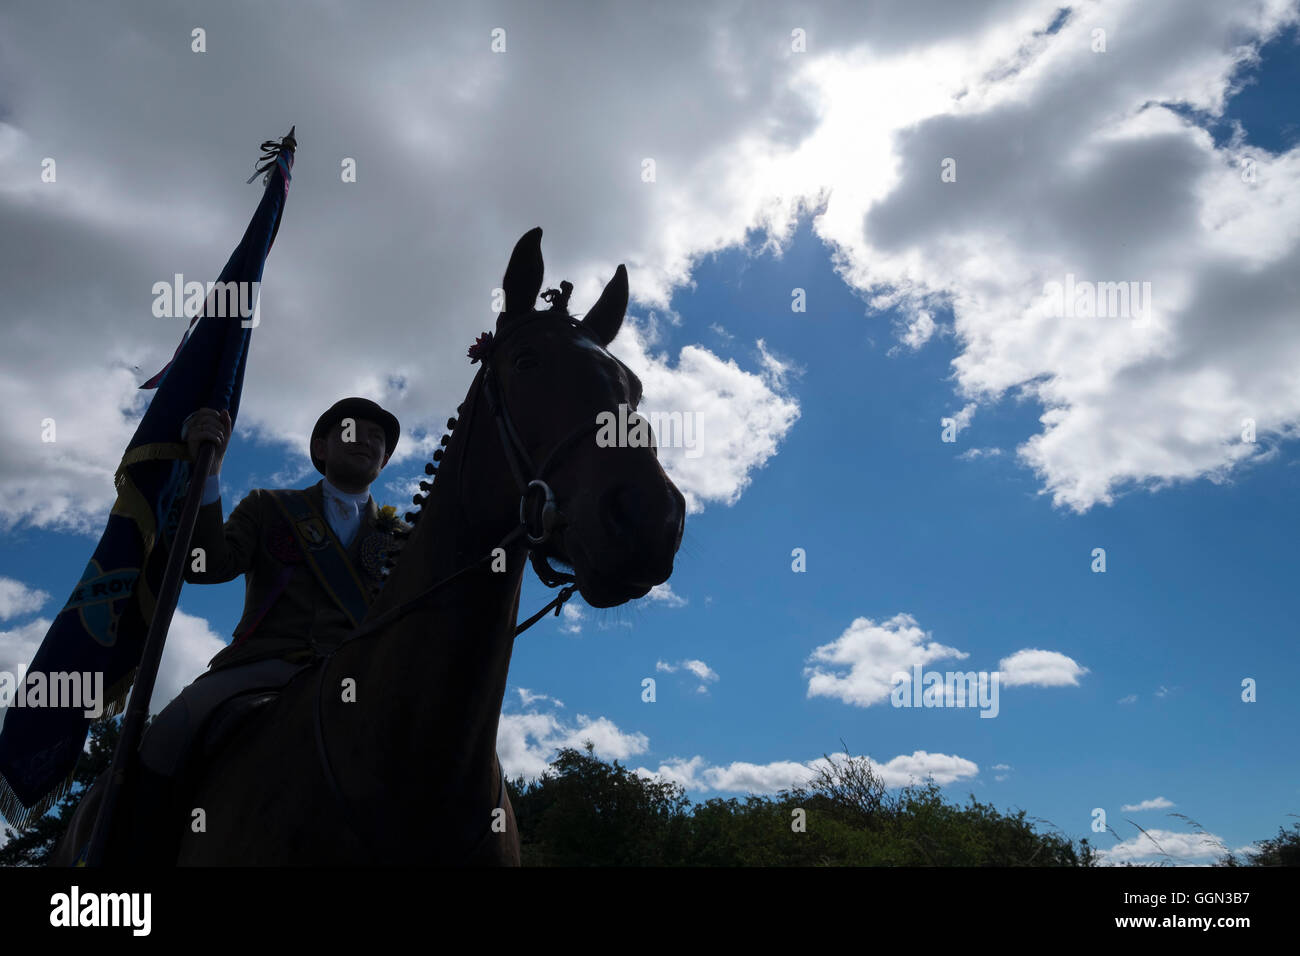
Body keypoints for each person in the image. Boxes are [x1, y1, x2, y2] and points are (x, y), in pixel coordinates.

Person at [127, 397, 406, 861]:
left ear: (385, 461)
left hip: (363, 680)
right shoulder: (270, 506)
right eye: (354, 431)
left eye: (379, 439)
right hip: (265, 665)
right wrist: (210, 471)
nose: (369, 440)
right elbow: (207, 565)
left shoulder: (400, 537)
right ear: (321, 447)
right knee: (169, 732)